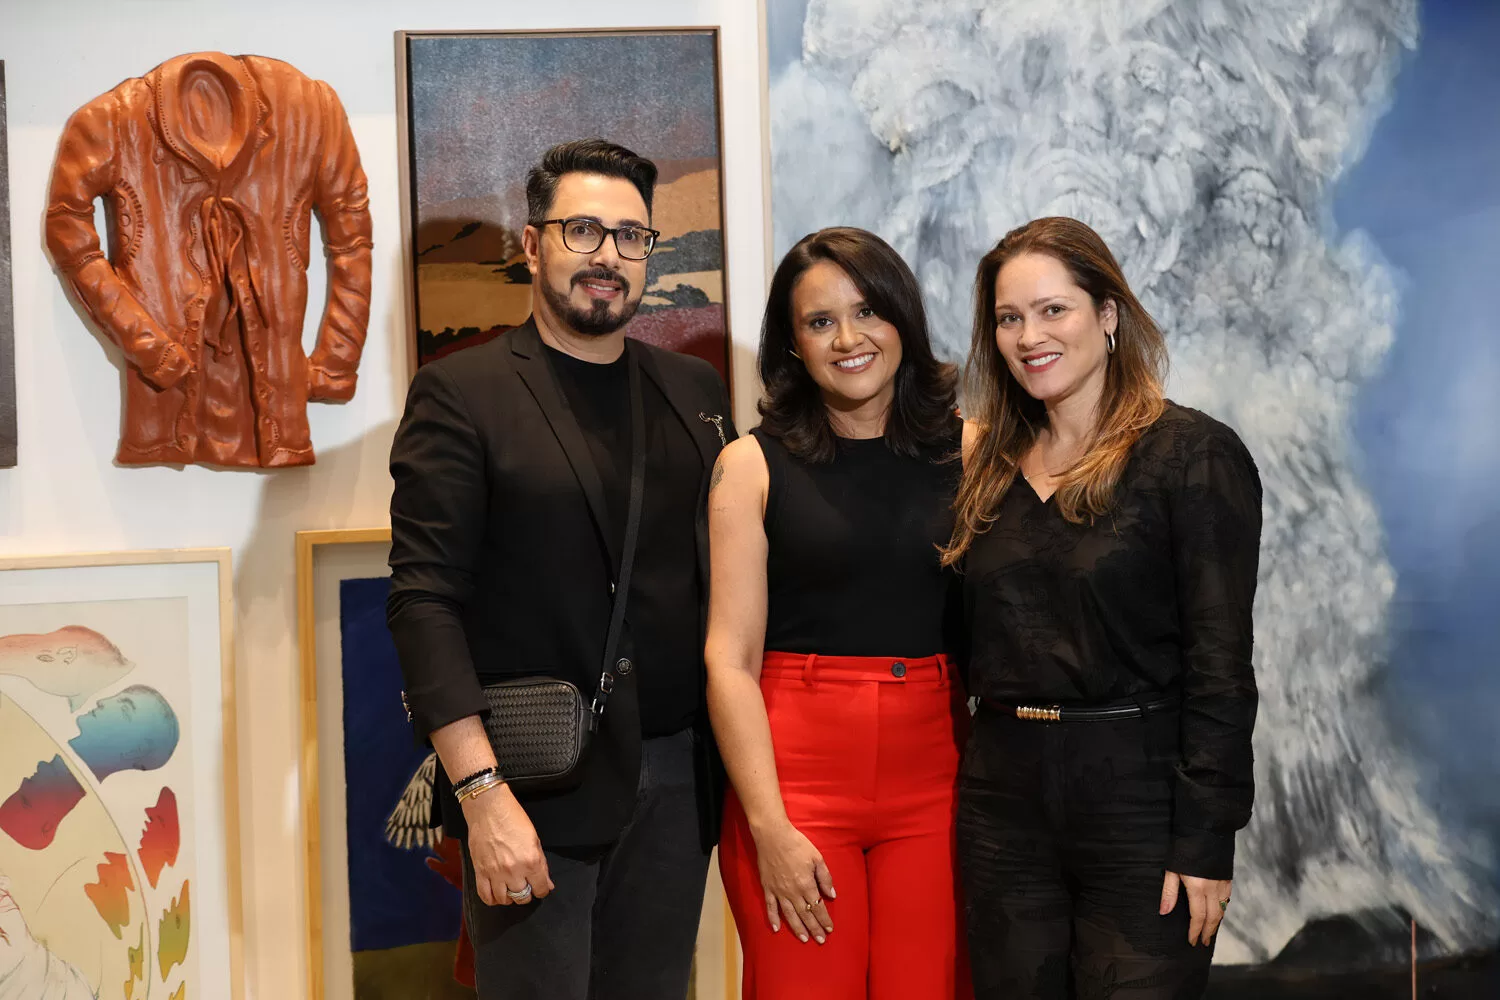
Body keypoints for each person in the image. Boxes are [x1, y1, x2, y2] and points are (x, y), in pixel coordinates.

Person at [387, 138, 736, 1000]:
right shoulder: (463, 393)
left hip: (678, 780)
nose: (607, 256)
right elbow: (424, 602)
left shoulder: (694, 391)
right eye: (583, 230)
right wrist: (481, 794)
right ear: (533, 245)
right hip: (533, 779)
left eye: (630, 236)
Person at [944, 216, 1262, 998]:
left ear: (1108, 314)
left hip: (1142, 805)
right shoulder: (983, 469)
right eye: (1009, 318)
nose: (1029, 336)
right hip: (1002, 805)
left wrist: (1206, 837)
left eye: (1053, 310)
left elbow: (1220, 666)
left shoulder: (1190, 455)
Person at [707, 227, 970, 998]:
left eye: (867, 312)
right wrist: (767, 826)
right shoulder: (749, 466)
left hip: (939, 780)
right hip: (793, 785)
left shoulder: (977, 452)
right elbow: (729, 660)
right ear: (794, 345)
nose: (848, 339)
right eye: (820, 322)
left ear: (903, 320)